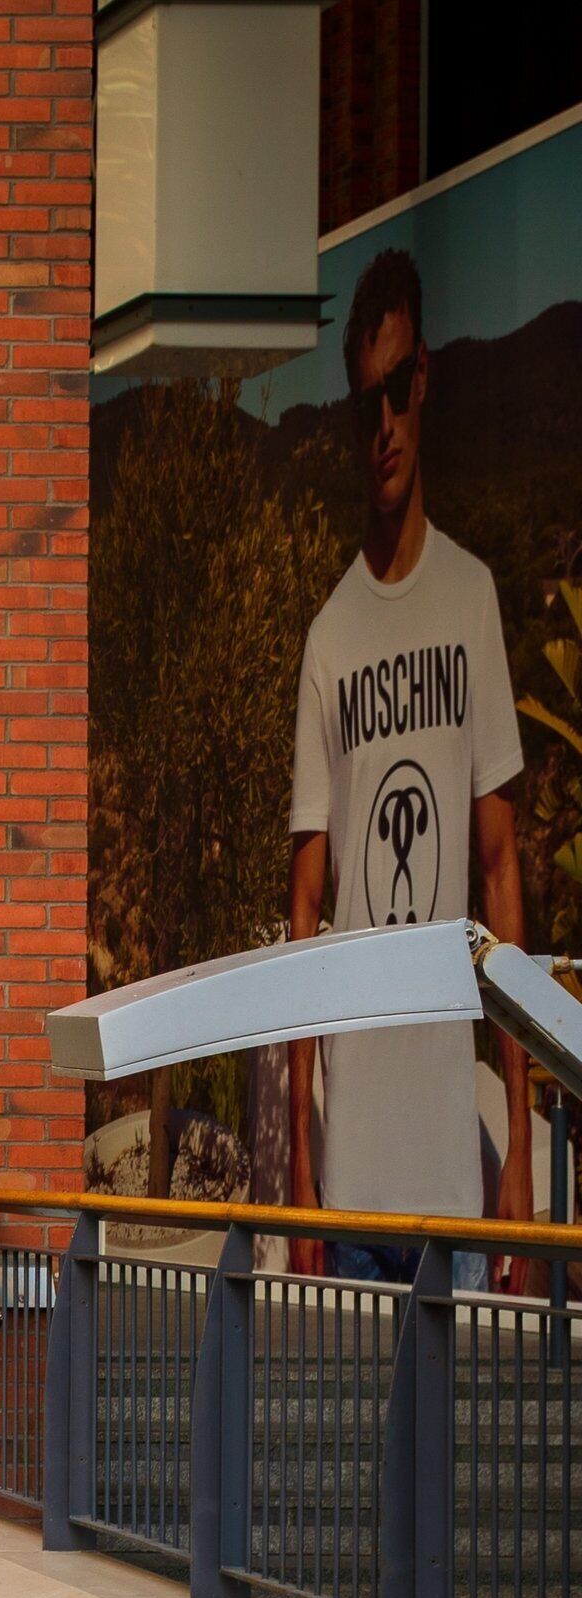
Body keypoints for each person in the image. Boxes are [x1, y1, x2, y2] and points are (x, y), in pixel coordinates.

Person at [284, 246, 529, 1286]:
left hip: (451, 1178)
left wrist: (515, 1148)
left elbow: (501, 871)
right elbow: (305, 910)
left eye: (394, 391)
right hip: (348, 1181)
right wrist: (298, 1167)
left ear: (421, 379)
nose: (379, 425)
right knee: (339, 1455)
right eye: (361, 403)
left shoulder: (469, 599)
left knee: (464, 1452)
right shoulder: (330, 636)